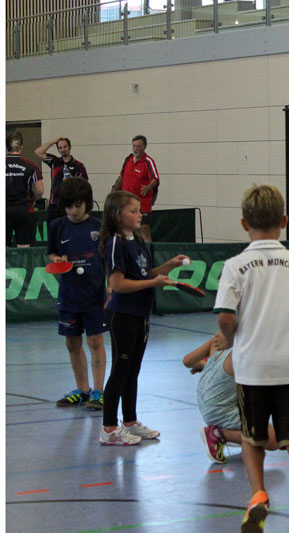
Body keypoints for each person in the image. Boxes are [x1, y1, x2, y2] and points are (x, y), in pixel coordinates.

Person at [214, 184, 289, 533]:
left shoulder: (235, 265)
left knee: (252, 438)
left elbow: (225, 317)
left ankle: (258, 494)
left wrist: (231, 337)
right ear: (284, 221)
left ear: (244, 224)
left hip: (252, 370)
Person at [98, 191, 187, 446]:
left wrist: (168, 266)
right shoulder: (116, 243)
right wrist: (153, 283)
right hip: (123, 315)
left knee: (133, 370)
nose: (140, 215)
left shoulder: (137, 239)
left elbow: (145, 274)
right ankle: (109, 428)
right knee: (120, 370)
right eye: (133, 211)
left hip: (140, 314)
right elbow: (118, 284)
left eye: (139, 210)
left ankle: (130, 421)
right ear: (118, 215)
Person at [182, 332, 289, 464]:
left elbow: (188, 361)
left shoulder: (218, 341)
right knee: (272, 439)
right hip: (219, 410)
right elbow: (288, 381)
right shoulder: (245, 357)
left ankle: (233, 434)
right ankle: (219, 433)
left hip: (205, 400)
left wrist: (204, 366)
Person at [47, 178, 107, 410]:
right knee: (72, 343)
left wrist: (110, 288)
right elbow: (52, 253)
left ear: (87, 203)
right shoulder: (57, 226)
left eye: (78, 205)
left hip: (94, 293)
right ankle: (82, 390)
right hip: (69, 294)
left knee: (95, 341)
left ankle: (98, 392)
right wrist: (57, 259)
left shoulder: (99, 227)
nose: (73, 210)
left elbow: (108, 259)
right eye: (69, 206)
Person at [112, 135, 160, 242]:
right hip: (126, 202)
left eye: (138, 146)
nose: (135, 149)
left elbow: (155, 179)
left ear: (144, 147)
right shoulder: (128, 160)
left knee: (143, 228)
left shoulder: (148, 161)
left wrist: (148, 187)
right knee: (125, 228)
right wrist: (114, 190)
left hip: (142, 203)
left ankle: (148, 251)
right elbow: (121, 177)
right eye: (134, 146)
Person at [34, 137, 90, 226]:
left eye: (65, 147)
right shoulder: (54, 161)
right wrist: (53, 141)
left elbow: (85, 185)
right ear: (58, 149)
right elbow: (38, 152)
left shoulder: (78, 165)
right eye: (60, 147)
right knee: (52, 230)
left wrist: (72, 181)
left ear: (70, 147)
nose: (63, 149)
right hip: (54, 204)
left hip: (70, 204)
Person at [6, 132, 44, 247]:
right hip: (24, 210)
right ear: (21, 147)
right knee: (24, 249)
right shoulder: (31, 165)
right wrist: (34, 200)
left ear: (7, 147)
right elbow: (40, 190)